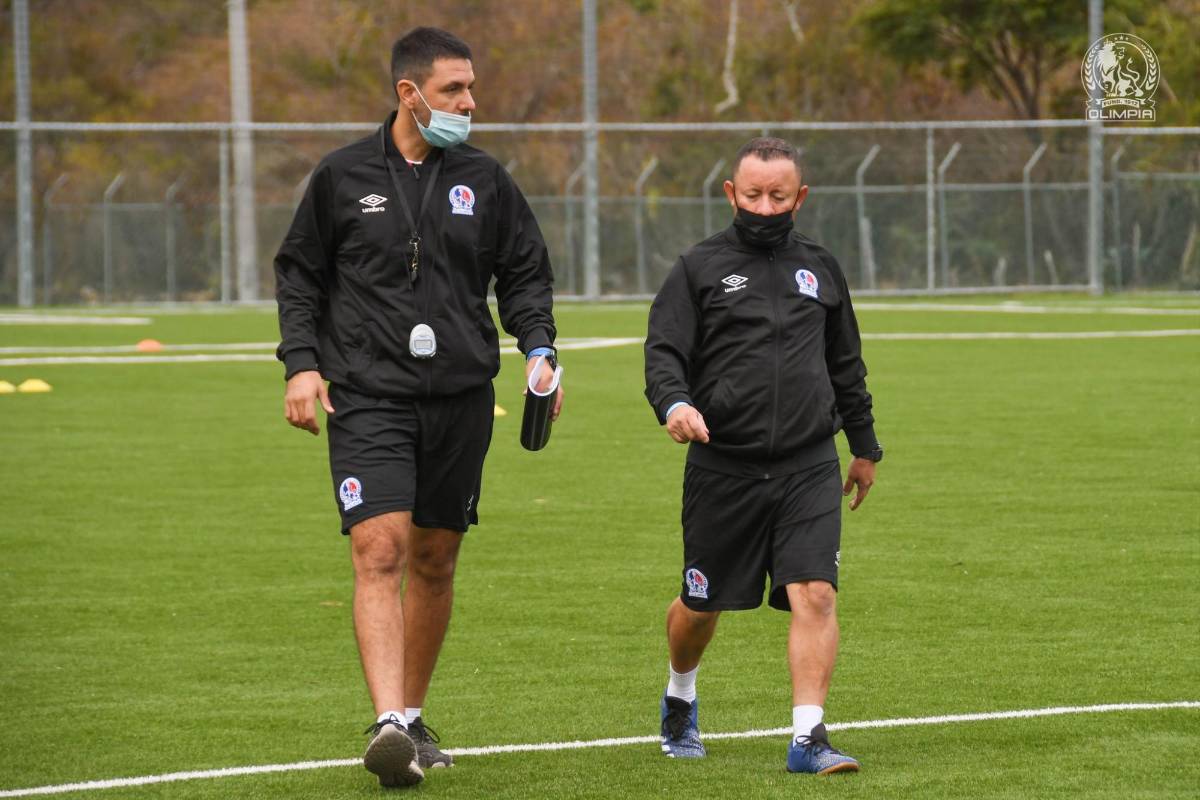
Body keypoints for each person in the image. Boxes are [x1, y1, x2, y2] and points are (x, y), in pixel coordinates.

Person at [274, 26, 562, 788]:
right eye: (453, 90)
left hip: (463, 396)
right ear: (409, 93)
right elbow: (299, 276)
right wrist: (301, 366)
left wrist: (540, 350)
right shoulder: (341, 176)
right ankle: (389, 723)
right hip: (368, 393)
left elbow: (526, 275)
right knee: (379, 551)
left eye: (470, 88)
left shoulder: (486, 179)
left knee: (435, 558)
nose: (470, 102)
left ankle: (413, 716)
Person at [644, 137, 881, 775]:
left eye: (779, 196)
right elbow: (664, 352)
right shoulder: (697, 267)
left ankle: (808, 738)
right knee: (701, 605)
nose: (765, 206)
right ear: (730, 194)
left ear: (799, 197)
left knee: (815, 593)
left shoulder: (822, 269)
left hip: (808, 464)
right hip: (724, 466)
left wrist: (863, 445)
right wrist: (674, 404)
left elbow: (846, 363)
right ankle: (680, 695)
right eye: (753, 195)